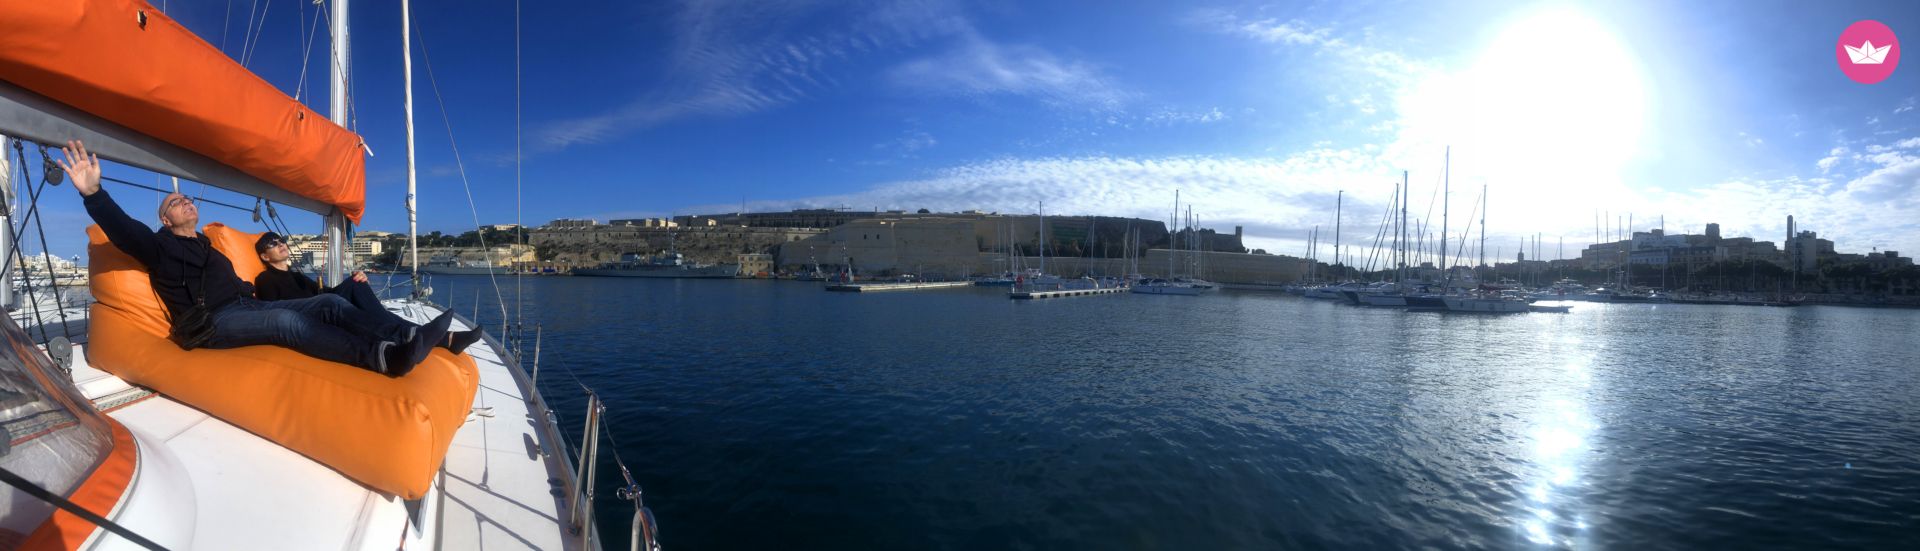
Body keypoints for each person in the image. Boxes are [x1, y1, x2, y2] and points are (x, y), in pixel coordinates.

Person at [59, 140, 449, 376]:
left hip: (245, 306)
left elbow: (238, 285)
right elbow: (127, 232)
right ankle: (383, 357)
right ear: (165, 219)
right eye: (176, 202)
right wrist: (94, 194)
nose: (186, 201)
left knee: (331, 300)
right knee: (286, 321)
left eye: (186, 198)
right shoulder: (159, 246)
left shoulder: (208, 246)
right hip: (211, 325)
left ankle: (408, 337)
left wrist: (248, 290)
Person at [253, 232, 481, 354]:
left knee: (357, 283)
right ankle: (432, 336)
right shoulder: (265, 280)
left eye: (280, 240)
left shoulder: (297, 275)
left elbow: (329, 293)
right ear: (264, 256)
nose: (280, 243)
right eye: (272, 244)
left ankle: (442, 338)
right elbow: (276, 314)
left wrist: (354, 281)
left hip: (324, 307)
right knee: (357, 291)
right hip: (307, 319)